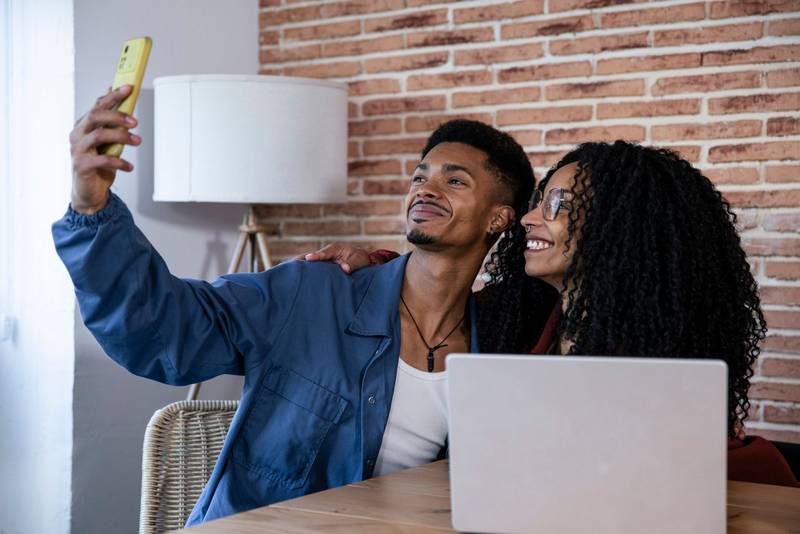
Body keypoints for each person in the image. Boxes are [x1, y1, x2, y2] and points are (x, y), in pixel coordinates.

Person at [53, 85, 537, 525]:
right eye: (419, 176)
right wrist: (91, 210)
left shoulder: (495, 346)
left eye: (455, 182)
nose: (425, 189)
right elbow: (165, 330)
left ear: (499, 217)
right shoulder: (311, 291)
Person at [307, 141, 799, 487]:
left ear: (618, 226)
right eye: (539, 201)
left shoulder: (661, 343)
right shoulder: (517, 319)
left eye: (557, 204)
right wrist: (371, 262)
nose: (527, 218)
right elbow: (430, 295)